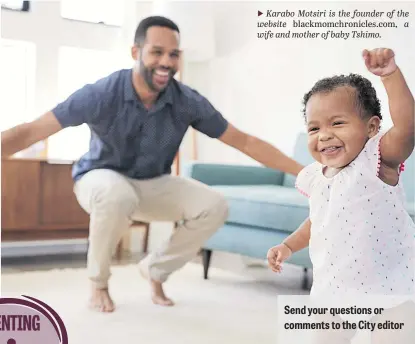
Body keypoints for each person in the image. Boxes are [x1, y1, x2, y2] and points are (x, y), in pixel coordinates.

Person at [2, 16, 303, 313]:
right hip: (99, 178)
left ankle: (155, 270)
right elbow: (32, 130)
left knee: (214, 205)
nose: (166, 62)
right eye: (157, 52)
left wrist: (305, 173)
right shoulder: (101, 93)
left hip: (152, 182)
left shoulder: (187, 101)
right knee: (116, 194)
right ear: (136, 52)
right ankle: (98, 283)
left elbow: (243, 141)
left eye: (173, 54)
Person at [268, 48, 414, 344]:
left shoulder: (377, 162)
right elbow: (319, 220)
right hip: (336, 291)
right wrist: (288, 245)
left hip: (391, 290)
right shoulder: (317, 177)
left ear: (371, 127)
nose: (324, 135)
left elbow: (409, 127)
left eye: (338, 123)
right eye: (314, 127)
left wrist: (391, 75)